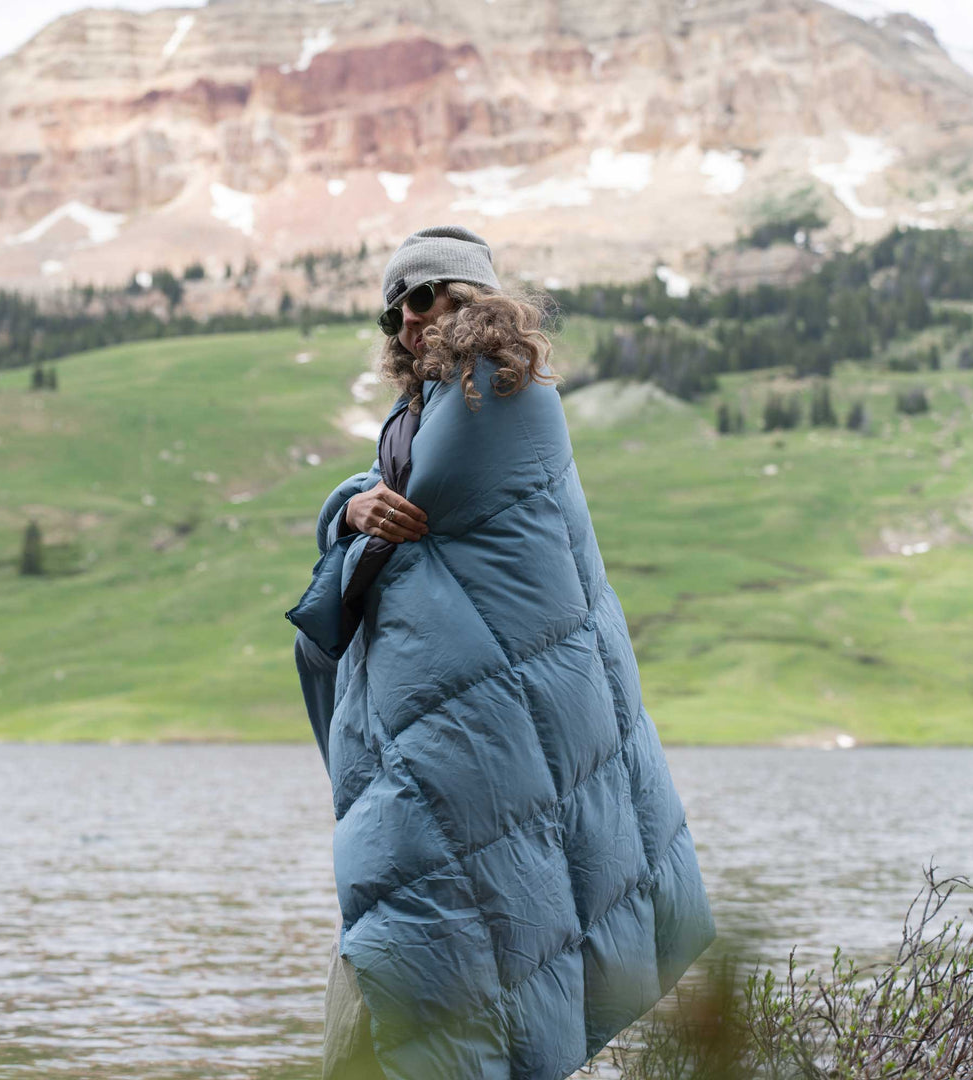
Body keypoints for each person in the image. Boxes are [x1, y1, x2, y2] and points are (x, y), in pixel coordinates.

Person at [287, 225, 714, 1080]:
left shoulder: (501, 392)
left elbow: (422, 498)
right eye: (391, 313)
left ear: (468, 295)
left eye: (419, 298)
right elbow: (381, 508)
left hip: (488, 722)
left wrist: (351, 506)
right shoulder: (424, 413)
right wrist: (349, 509)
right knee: (449, 914)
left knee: (439, 916)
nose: (405, 324)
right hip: (460, 719)